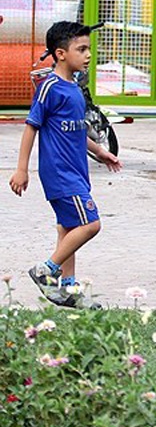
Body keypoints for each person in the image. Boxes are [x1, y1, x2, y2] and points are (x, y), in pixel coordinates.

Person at [8, 21, 122, 309]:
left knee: (68, 227)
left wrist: (100, 152)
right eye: (81, 49)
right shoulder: (51, 88)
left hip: (77, 172)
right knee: (91, 224)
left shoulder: (74, 88)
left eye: (89, 49)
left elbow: (76, 130)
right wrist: (22, 169)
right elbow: (31, 127)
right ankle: (46, 269)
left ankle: (69, 289)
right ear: (60, 53)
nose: (88, 55)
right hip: (59, 173)